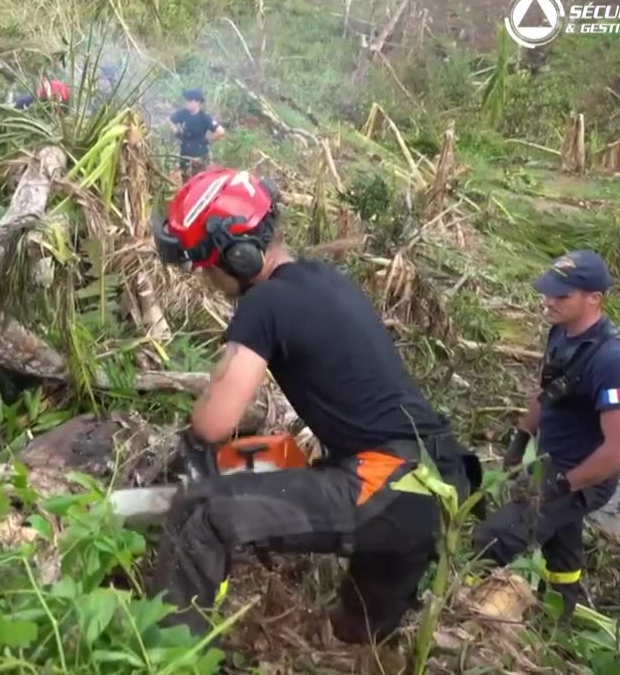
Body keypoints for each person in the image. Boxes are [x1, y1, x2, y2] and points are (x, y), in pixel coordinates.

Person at [148, 168, 480, 646]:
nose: (204, 276)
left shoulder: (264, 303)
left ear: (236, 255)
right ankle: (360, 639)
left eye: (204, 263)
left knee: (202, 514)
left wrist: (195, 442)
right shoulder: (322, 278)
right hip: (434, 483)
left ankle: (163, 655)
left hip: (384, 484)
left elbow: (217, 419)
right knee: (352, 637)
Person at [472, 250, 620, 621]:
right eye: (548, 292)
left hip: (584, 475)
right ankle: (559, 620)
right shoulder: (560, 333)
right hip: (550, 462)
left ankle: (471, 617)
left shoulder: (615, 359)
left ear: (594, 298)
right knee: (562, 550)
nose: (548, 301)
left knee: (491, 541)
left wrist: (562, 487)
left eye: (561, 296)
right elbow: (547, 393)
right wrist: (521, 438)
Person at [168, 88, 225, 180]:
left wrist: (207, 140)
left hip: (200, 155)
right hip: (185, 152)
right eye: (187, 101)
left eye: (190, 101)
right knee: (186, 181)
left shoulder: (204, 117)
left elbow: (220, 131)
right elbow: (170, 120)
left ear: (198, 102)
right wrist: (176, 132)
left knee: (200, 181)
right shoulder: (183, 113)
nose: (188, 103)